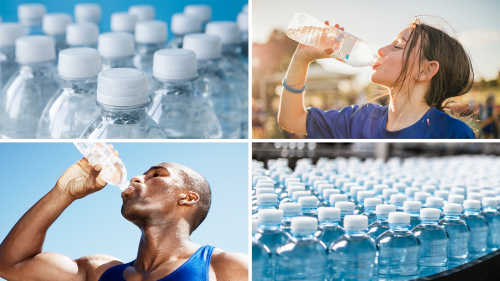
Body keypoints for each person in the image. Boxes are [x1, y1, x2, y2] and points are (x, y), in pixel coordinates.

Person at [0, 146, 248, 281]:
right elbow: (11, 265)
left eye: (157, 175)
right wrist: (63, 192)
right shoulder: (98, 272)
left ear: (187, 197)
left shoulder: (227, 268)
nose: (137, 177)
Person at [278, 18, 476, 139]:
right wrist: (301, 59)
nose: (381, 50)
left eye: (397, 46)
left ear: (426, 70)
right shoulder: (359, 119)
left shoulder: (453, 133)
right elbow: (291, 119)